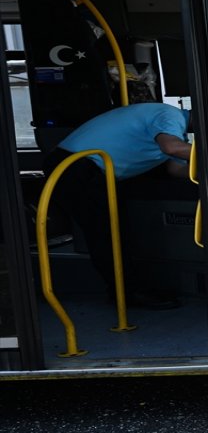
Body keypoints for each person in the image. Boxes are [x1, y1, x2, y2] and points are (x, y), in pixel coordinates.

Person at [42, 102, 194, 309]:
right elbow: (171, 147)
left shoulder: (175, 130)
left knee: (112, 231)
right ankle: (128, 294)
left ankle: (128, 290)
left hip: (83, 168)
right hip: (76, 166)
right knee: (106, 233)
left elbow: (175, 170)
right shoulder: (170, 115)